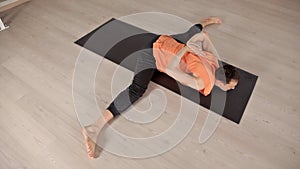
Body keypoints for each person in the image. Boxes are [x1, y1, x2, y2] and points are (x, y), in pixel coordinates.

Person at [81, 17, 240, 159]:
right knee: (136, 90)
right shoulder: (203, 82)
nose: (231, 90)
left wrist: (190, 46)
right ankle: (94, 128)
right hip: (151, 53)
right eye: (231, 87)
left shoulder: (214, 61)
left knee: (187, 36)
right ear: (221, 82)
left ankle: (207, 21)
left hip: (163, 39)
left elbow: (203, 37)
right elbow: (170, 70)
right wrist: (186, 49)